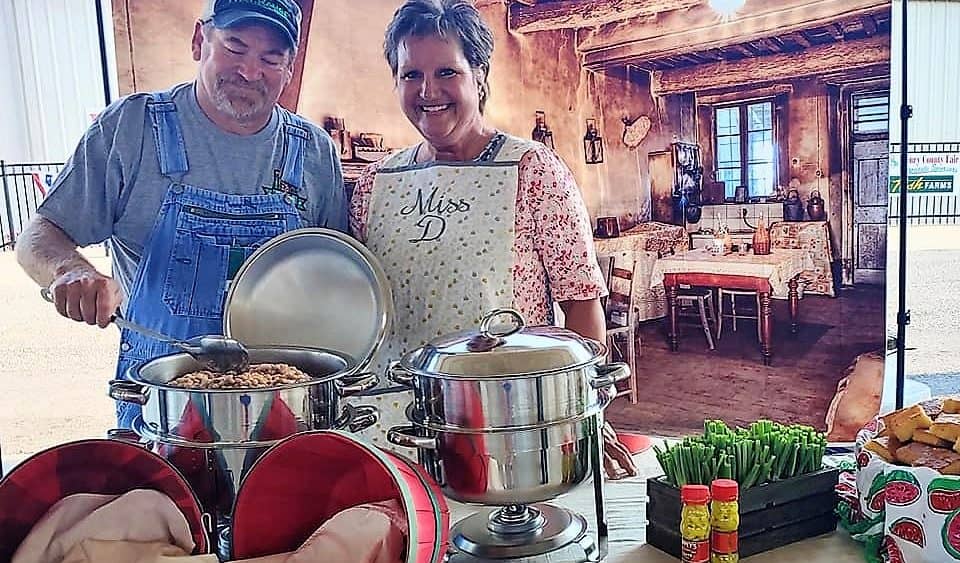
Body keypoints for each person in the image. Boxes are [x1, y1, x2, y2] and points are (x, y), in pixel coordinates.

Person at [16, 0, 347, 429]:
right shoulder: (131, 129)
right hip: (163, 411)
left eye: (271, 58)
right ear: (198, 41)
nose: (250, 72)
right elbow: (39, 234)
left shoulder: (315, 152)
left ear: (289, 67)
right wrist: (69, 271)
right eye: (235, 47)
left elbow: (334, 281)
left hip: (286, 412)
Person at [349, 0, 637, 478]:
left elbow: (581, 303)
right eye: (410, 74)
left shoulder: (531, 169)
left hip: (508, 429)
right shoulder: (375, 183)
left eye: (447, 71)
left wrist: (585, 414)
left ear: (479, 76)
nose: (428, 91)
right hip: (395, 428)